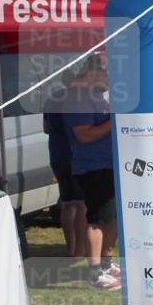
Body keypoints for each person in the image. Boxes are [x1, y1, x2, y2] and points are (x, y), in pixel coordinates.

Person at [64, 58, 119, 290]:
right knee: (97, 219)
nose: (110, 80)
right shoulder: (76, 97)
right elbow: (84, 135)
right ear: (94, 72)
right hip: (92, 167)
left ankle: (105, 266)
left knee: (111, 218)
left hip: (105, 165)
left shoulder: (93, 96)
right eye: (108, 74)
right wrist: (115, 121)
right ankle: (95, 273)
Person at [42, 81, 87, 259]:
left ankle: (71, 249)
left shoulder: (52, 99)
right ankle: (80, 251)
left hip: (57, 155)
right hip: (76, 156)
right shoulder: (80, 99)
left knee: (67, 203)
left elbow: (46, 128)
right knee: (82, 204)